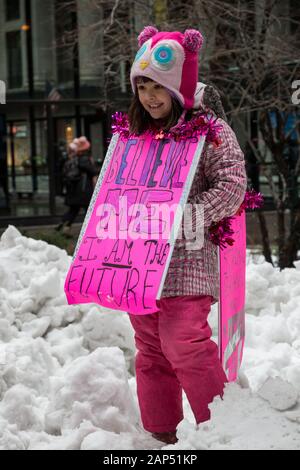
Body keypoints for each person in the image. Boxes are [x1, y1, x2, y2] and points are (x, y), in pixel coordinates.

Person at [126, 26, 247, 445]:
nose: (149, 96)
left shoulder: (210, 132)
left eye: (157, 85)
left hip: (189, 260)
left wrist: (186, 218)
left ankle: (219, 429)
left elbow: (233, 185)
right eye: (142, 86)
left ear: (178, 85)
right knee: (150, 348)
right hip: (140, 263)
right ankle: (161, 436)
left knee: (183, 342)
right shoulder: (132, 138)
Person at [55, 136, 98, 236]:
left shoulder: (75, 159)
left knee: (74, 210)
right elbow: (91, 171)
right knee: (89, 210)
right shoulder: (83, 159)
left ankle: (64, 225)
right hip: (83, 190)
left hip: (76, 190)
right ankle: (91, 230)